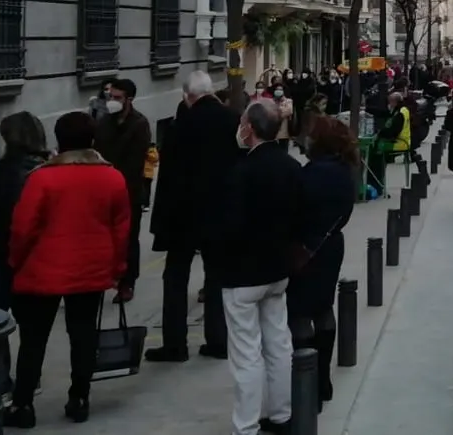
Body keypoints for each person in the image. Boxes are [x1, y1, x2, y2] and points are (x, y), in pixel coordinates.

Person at [2, 112, 132, 428]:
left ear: (58, 141)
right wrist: (118, 268)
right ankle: (79, 397)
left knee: (34, 339)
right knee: (84, 334)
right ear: (92, 140)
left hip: (43, 268)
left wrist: (14, 261)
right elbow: (122, 229)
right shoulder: (112, 177)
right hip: (90, 268)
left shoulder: (42, 178)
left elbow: (23, 227)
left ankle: (23, 404)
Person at [220, 99, 305, 435]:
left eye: (242, 123)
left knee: (246, 352)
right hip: (278, 269)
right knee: (278, 342)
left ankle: (246, 425)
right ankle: (282, 413)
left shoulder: (240, 171)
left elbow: (229, 224)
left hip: (243, 273)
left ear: (250, 129)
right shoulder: (291, 167)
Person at [148, 71, 241, 362]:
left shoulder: (180, 125)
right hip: (219, 212)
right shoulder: (232, 120)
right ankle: (218, 339)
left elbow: (169, 177)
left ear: (188, 96)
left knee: (175, 277)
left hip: (182, 215)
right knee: (217, 276)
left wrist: (160, 223)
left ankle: (175, 344)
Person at [288, 117, 357, 407]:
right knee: (324, 308)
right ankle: (323, 378)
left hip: (305, 248)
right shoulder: (345, 171)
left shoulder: (310, 174)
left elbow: (296, 210)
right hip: (331, 246)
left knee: (301, 313)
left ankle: (308, 380)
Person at [0, 112, 51, 394]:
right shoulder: (46, 171)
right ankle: (29, 380)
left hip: (0, 254)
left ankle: (1, 379)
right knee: (33, 328)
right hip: (36, 256)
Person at [93, 77, 151, 304]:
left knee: (128, 238)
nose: (112, 101)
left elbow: (136, 160)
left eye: (117, 97)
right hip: (104, 190)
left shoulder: (139, 123)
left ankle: (127, 282)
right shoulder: (104, 122)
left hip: (128, 191)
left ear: (129, 99)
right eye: (110, 97)